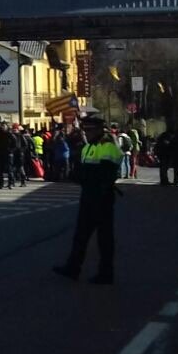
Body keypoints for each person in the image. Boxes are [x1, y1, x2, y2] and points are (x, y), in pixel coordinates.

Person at [54, 116, 123, 283]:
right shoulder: (88, 147)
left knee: (104, 238)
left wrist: (86, 176)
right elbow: (82, 170)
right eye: (86, 130)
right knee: (81, 235)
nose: (87, 133)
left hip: (102, 196)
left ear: (99, 130)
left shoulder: (108, 146)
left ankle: (106, 273)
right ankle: (73, 268)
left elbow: (107, 173)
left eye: (90, 130)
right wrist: (77, 175)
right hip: (88, 195)